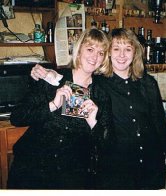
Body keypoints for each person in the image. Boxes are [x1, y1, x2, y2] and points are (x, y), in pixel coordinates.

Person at [30, 28, 166, 190]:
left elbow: (159, 124)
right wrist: (47, 75)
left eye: (128, 49)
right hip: (116, 171)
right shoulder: (97, 84)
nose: (122, 55)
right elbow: (70, 84)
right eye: (116, 49)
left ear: (135, 53)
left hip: (151, 167)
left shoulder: (148, 83)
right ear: (108, 53)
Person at [7, 28, 115, 189]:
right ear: (78, 51)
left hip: (70, 177)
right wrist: (53, 105)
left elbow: (107, 144)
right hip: (33, 170)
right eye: (90, 49)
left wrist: (93, 121)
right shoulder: (53, 78)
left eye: (101, 53)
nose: (95, 57)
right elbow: (16, 117)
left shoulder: (100, 94)